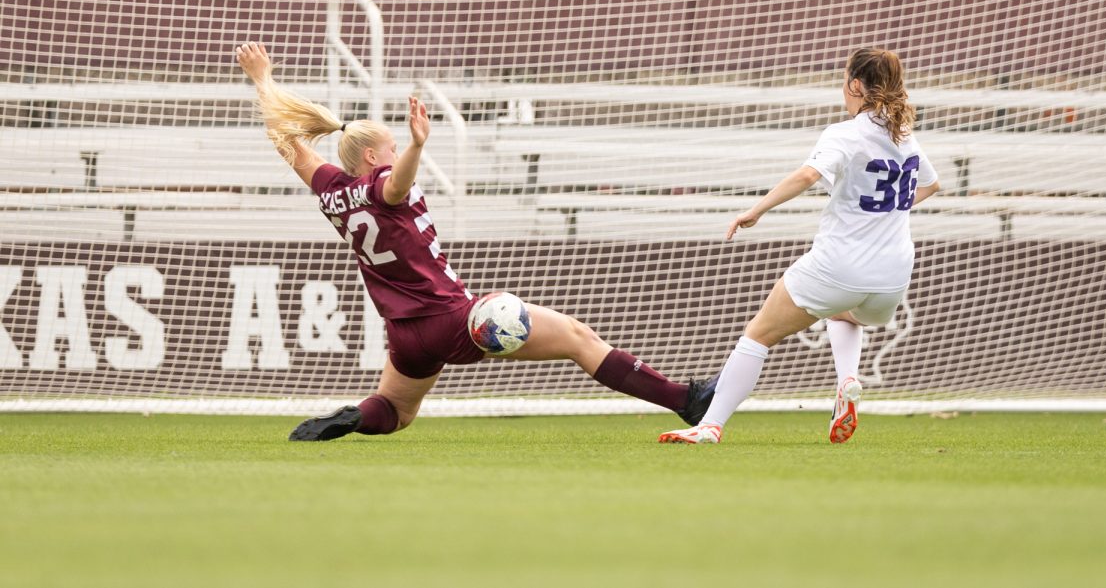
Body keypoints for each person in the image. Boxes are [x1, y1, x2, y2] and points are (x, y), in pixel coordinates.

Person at [234, 43, 714, 441]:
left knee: (396, 412)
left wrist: (262, 81)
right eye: (392, 147)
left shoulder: (331, 189)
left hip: (405, 334)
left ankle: (357, 416)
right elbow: (394, 188)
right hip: (451, 317)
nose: (396, 151)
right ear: (371, 155)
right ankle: (685, 401)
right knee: (576, 337)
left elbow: (288, 143)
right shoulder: (383, 182)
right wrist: (419, 145)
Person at [659, 48, 940, 445]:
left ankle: (710, 425)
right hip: (894, 275)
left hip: (839, 264)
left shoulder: (846, 133)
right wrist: (884, 213)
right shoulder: (904, 136)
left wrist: (755, 210)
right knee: (844, 313)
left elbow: (808, 174)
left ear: (856, 85)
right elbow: (931, 184)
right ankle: (848, 381)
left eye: (844, 80)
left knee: (757, 335)